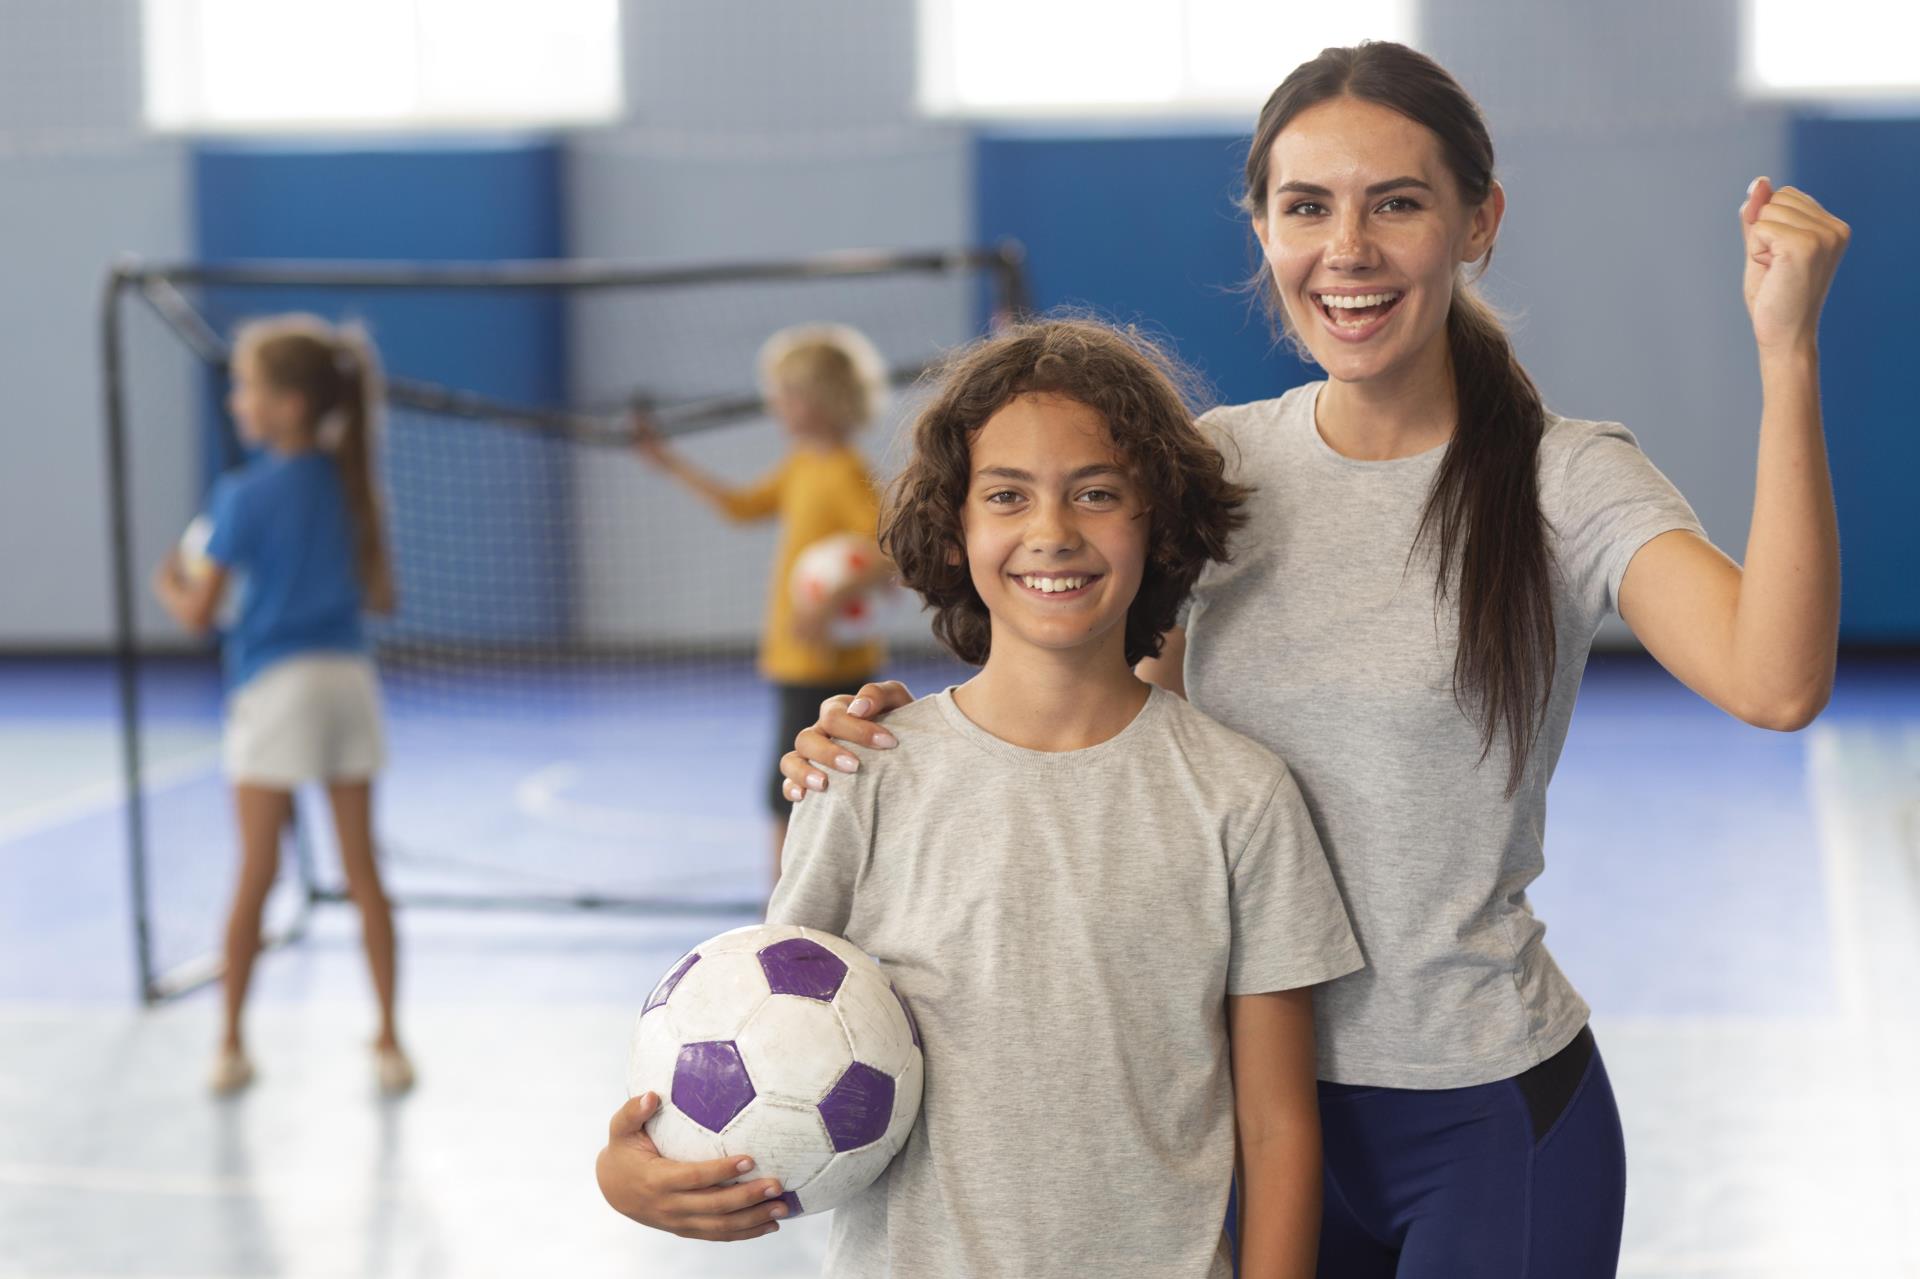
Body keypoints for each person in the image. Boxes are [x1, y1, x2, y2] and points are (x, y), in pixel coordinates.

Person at [779, 42, 1849, 1278]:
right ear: (1264, 230)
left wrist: (1788, 352)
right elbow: (1099, 721)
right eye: (1307, 206)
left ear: (1477, 222)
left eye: (1397, 202)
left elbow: (1775, 681)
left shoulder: (1566, 479)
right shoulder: (1218, 470)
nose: (1349, 248)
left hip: (1485, 1113)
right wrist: (890, 747)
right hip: (1229, 1111)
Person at [598, 319, 1362, 1276]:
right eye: (1008, 495)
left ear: (1158, 520)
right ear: (955, 529)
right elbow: (766, 1035)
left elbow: (1277, 1124)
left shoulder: (1241, 798)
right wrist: (630, 1175)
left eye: (1097, 492)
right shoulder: (864, 771)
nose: (1052, 532)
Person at [152, 314, 413, 1096]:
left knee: (256, 872)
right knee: (365, 869)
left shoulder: (242, 494)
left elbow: (201, 613)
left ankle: (230, 1043)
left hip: (276, 690)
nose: (236, 401)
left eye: (247, 387)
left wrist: (170, 579)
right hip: (349, 684)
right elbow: (382, 593)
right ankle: (390, 1041)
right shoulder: (352, 481)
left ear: (288, 404)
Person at [631, 324, 894, 873]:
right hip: (793, 660)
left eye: (787, 393)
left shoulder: (844, 472)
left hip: (828, 667)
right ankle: (786, 901)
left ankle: (789, 909)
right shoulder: (802, 463)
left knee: (806, 790)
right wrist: (669, 462)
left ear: (819, 401)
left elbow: (887, 551)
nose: (776, 403)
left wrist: (830, 601)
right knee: (788, 789)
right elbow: (742, 507)